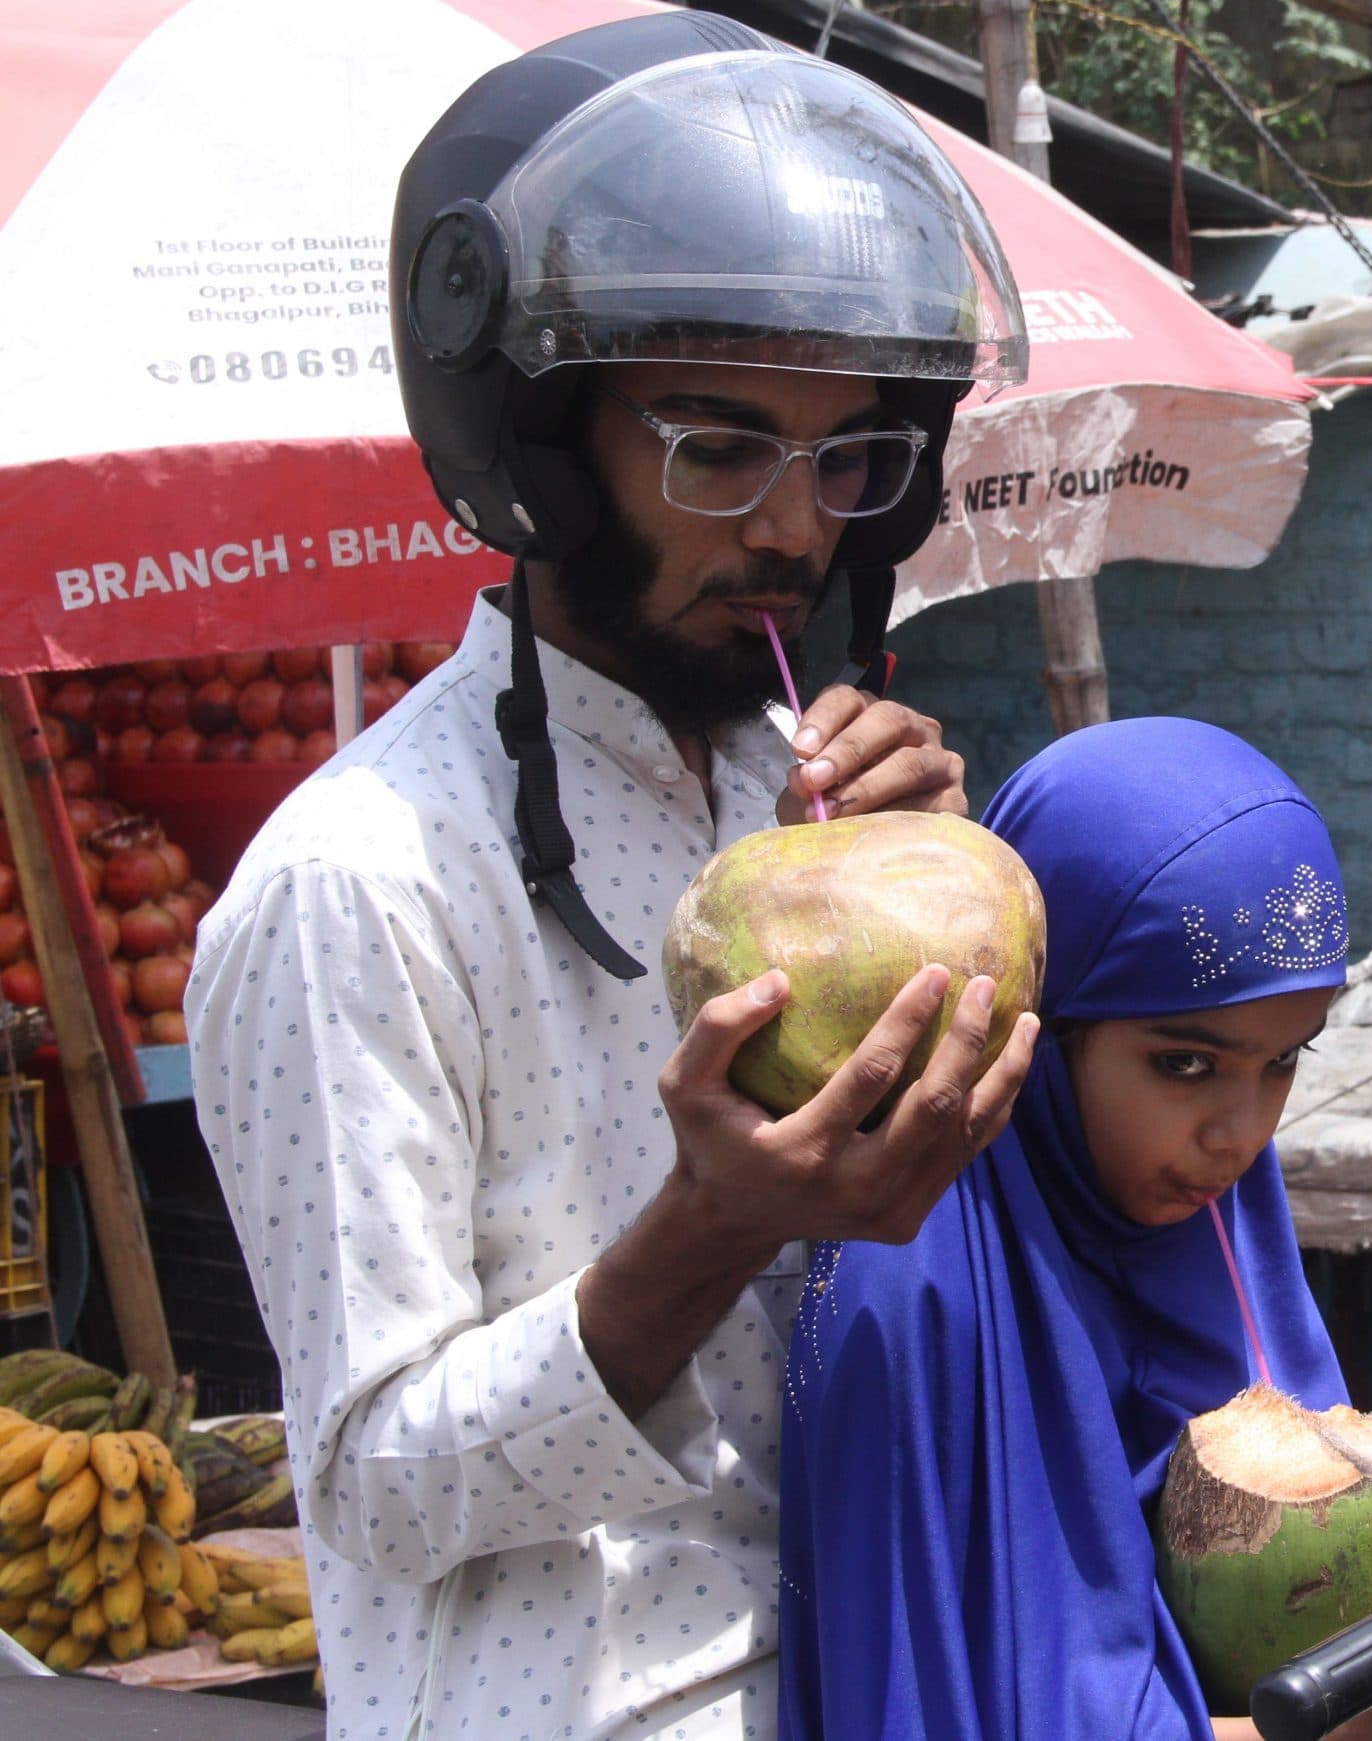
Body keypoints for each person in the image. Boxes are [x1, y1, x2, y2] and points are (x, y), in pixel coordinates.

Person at [184, 18, 1038, 1738]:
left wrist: (945, 898)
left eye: (849, 459)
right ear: (544, 454)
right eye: (718, 451)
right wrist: (712, 1227)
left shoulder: (789, 793)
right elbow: (373, 1488)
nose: (797, 531)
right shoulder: (356, 885)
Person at [777, 718, 1372, 1741]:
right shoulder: (913, 1288)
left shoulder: (1224, 1233)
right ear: (1041, 1021)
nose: (1242, 1134)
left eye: (1285, 1059)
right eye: (1186, 1064)